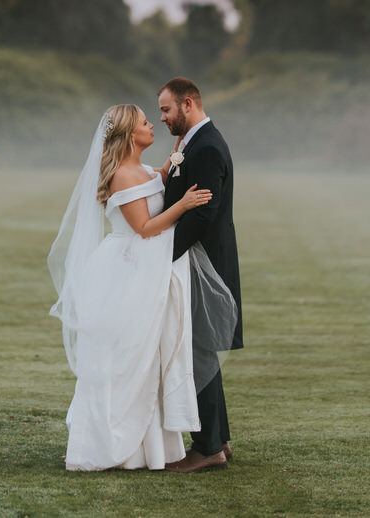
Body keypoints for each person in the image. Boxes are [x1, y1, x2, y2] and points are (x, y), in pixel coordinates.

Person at [47, 104, 236, 472]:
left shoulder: (144, 170)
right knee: (124, 355)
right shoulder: (120, 175)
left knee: (147, 356)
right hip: (126, 271)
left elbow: (162, 176)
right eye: (146, 122)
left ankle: (153, 446)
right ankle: (111, 441)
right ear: (131, 134)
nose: (153, 124)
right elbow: (145, 228)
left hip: (142, 266)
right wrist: (182, 205)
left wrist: (181, 149)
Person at [158, 77, 243, 473]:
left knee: (198, 349)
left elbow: (204, 213)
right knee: (202, 347)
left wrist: (161, 254)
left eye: (166, 110)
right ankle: (219, 440)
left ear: (187, 104)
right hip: (197, 260)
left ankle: (207, 446)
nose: (162, 118)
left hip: (202, 263)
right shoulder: (193, 143)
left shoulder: (206, 147)